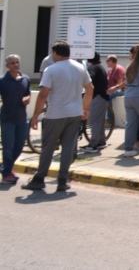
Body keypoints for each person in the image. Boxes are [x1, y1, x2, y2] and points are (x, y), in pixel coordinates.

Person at [22, 41, 93, 192]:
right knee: (68, 147)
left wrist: (35, 116)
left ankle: (40, 178)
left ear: (55, 53)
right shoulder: (80, 67)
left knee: (48, 147)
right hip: (74, 112)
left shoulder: (51, 69)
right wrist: (85, 108)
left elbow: (43, 95)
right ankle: (62, 180)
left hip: (56, 113)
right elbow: (89, 89)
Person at [0, 54, 31, 184]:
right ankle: (7, 173)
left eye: (17, 62)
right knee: (8, 147)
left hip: (21, 118)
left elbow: (27, 93)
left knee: (18, 146)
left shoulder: (25, 79)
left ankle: (5, 168)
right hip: (7, 118)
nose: (16, 65)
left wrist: (27, 98)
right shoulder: (2, 80)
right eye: (12, 63)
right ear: (7, 65)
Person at [80, 52, 110, 153]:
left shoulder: (93, 68)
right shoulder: (101, 67)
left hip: (97, 96)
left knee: (95, 121)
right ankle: (101, 141)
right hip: (103, 97)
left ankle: (93, 145)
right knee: (100, 121)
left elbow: (90, 80)